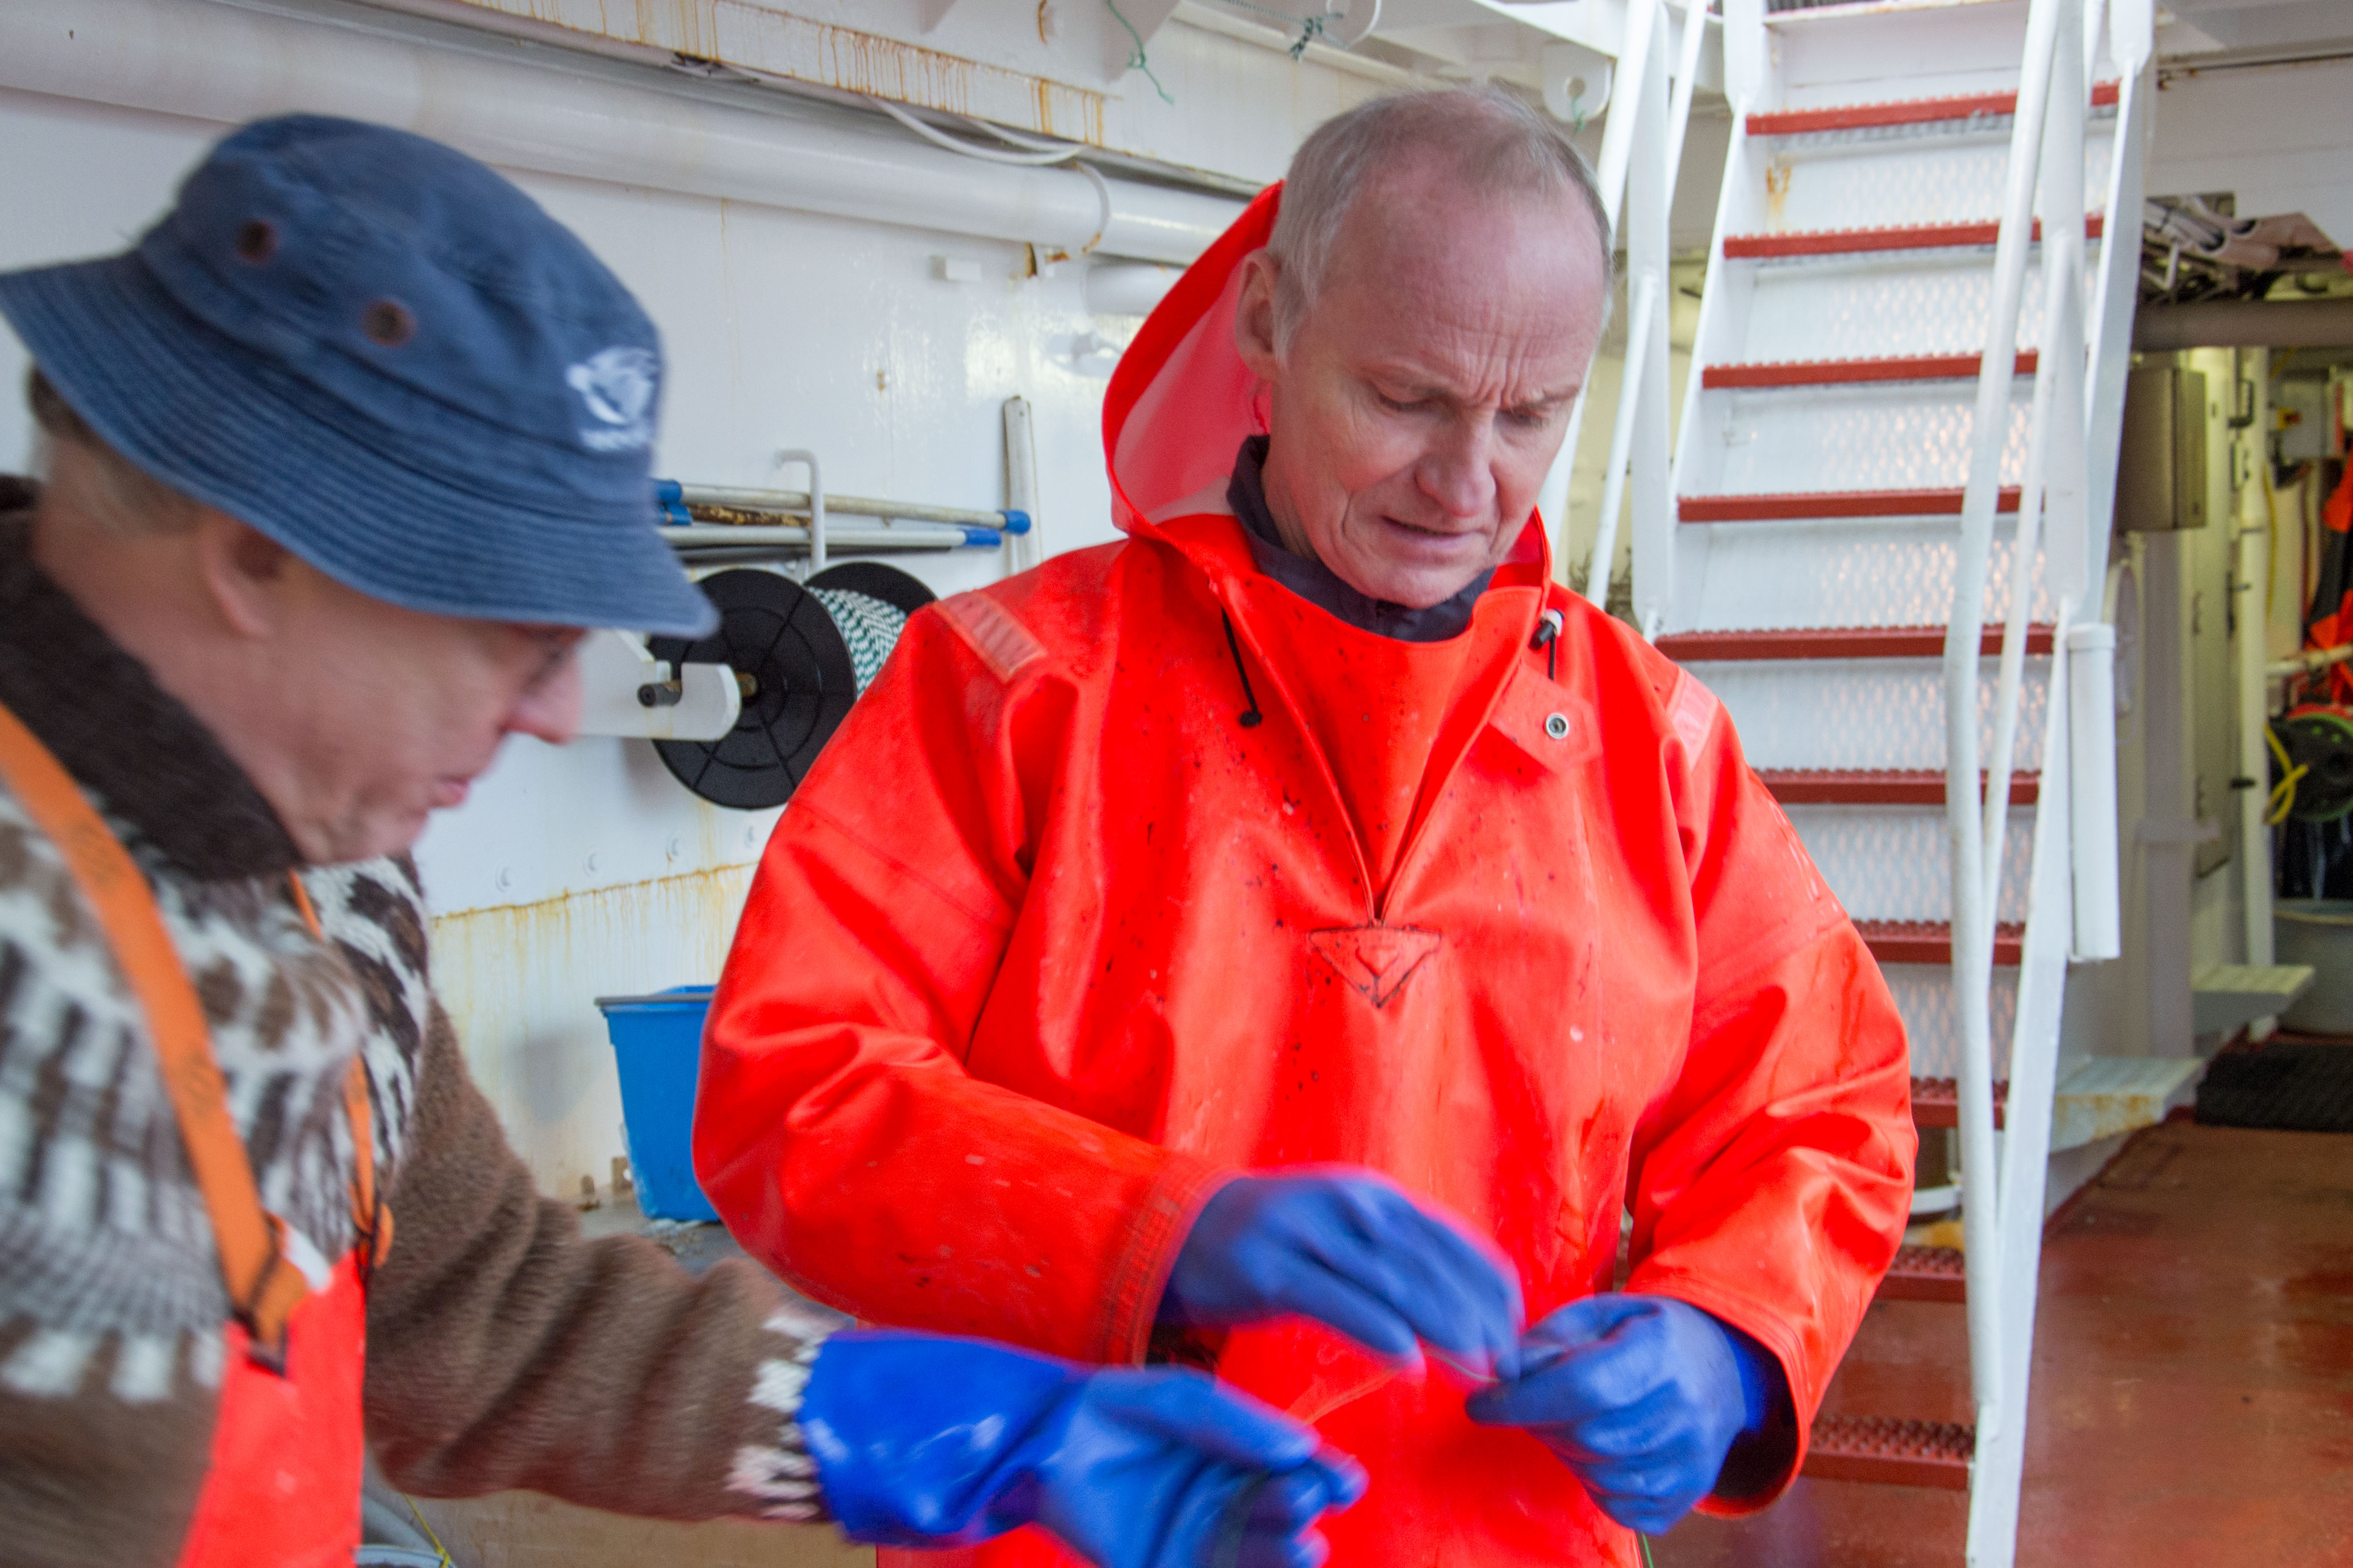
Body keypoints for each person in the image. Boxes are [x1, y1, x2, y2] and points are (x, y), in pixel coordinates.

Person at [0, 114, 1362, 1568]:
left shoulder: (323, 870)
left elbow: (479, 1315)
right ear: (259, 554)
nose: (548, 714)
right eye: (515, 639)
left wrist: (914, 1423)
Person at [699, 87, 1916, 1567]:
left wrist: (1726, 1334)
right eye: (1405, 398)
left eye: (1527, 416)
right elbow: (792, 1090)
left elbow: (1822, 1100)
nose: (1467, 484)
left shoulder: (1647, 745)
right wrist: (1151, 1231)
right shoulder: (1011, 692)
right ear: (1267, 326)